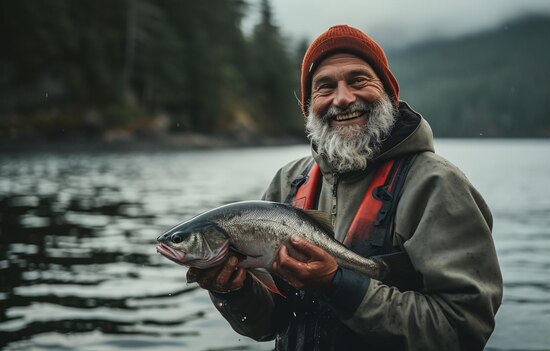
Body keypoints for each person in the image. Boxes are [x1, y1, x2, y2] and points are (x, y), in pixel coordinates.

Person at [186, 24, 503, 350]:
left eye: (358, 80)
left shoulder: (436, 184)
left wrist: (337, 284)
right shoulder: (288, 182)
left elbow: (464, 330)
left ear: (389, 94)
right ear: (309, 106)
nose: (343, 98)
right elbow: (268, 325)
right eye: (324, 87)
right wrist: (234, 291)